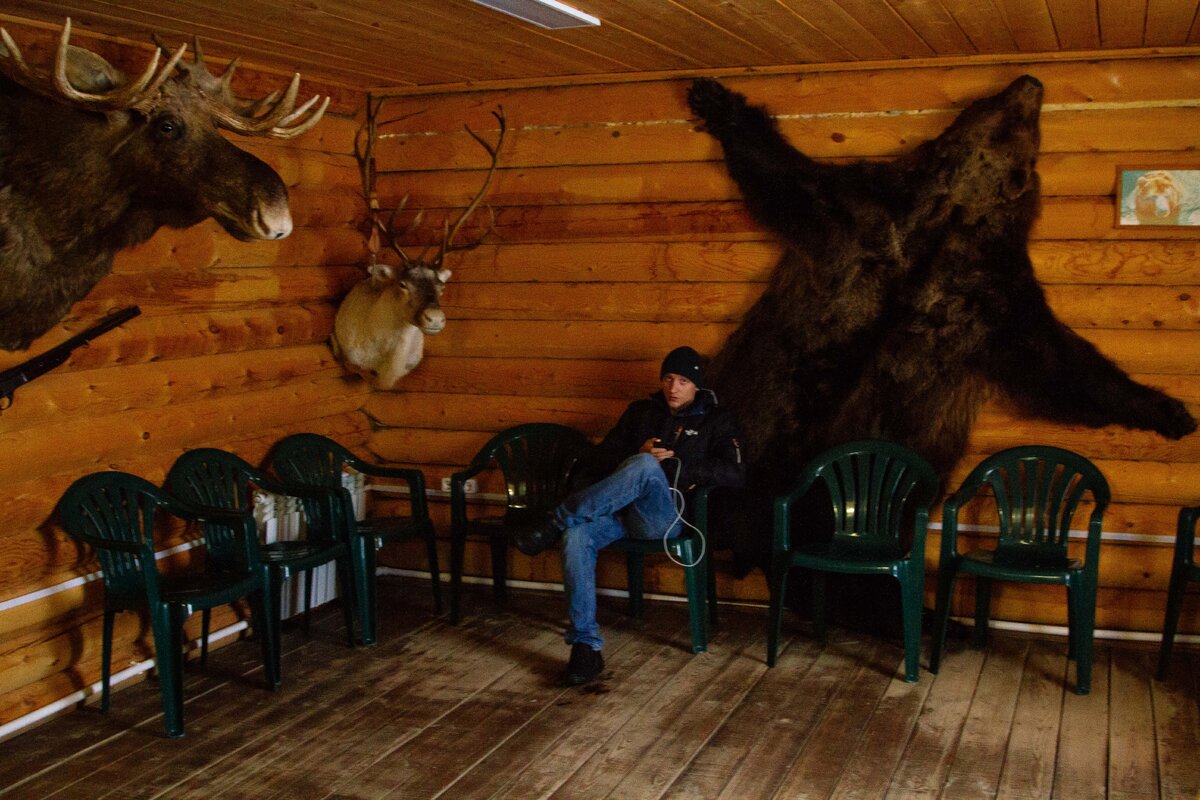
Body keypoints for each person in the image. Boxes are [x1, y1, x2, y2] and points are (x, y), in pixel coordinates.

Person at [514, 346, 745, 686]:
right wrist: (633, 454)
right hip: (615, 514)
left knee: (647, 465)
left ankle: (557, 518)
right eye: (668, 378)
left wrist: (673, 466)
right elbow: (597, 460)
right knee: (576, 535)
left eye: (683, 381)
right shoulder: (640, 413)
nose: (674, 388)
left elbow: (735, 474)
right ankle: (585, 646)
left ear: (697, 385)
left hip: (664, 519)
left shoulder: (718, 419)